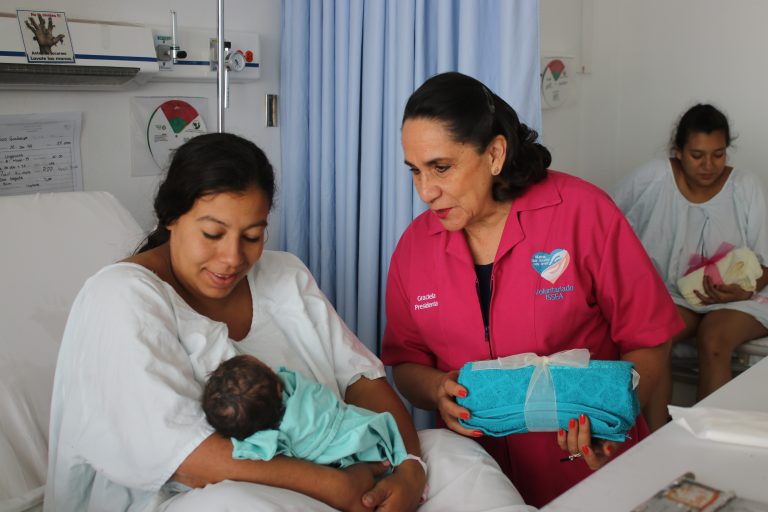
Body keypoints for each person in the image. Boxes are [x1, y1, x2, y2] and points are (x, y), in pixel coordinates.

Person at [45, 132, 535, 512]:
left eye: (253, 235)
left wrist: (407, 468)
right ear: (171, 216)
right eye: (212, 234)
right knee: (232, 506)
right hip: (198, 495)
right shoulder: (122, 297)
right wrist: (331, 485)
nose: (232, 258)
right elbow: (186, 460)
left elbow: (363, 381)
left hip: (335, 463)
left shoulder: (283, 274)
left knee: (445, 454)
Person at [380, 72, 685, 508]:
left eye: (441, 167)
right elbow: (406, 362)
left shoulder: (582, 214)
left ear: (495, 153)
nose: (426, 191)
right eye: (415, 171)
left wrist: (616, 417)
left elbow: (650, 339)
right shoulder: (414, 248)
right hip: (476, 485)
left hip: (588, 467)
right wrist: (435, 389)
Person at [612, 104, 768, 432]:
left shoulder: (745, 186)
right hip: (673, 294)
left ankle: (710, 439)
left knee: (714, 339)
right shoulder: (654, 177)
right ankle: (656, 438)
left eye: (718, 154)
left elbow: (767, 264)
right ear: (678, 152)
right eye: (697, 155)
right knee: (656, 337)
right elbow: (606, 223)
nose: (708, 165)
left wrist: (744, 288)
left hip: (739, 298)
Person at [202, 354, 408, 469]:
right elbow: (324, 397)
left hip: (333, 464)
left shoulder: (264, 443)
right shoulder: (303, 394)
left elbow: (246, 451)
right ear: (278, 388)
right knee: (375, 432)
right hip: (351, 439)